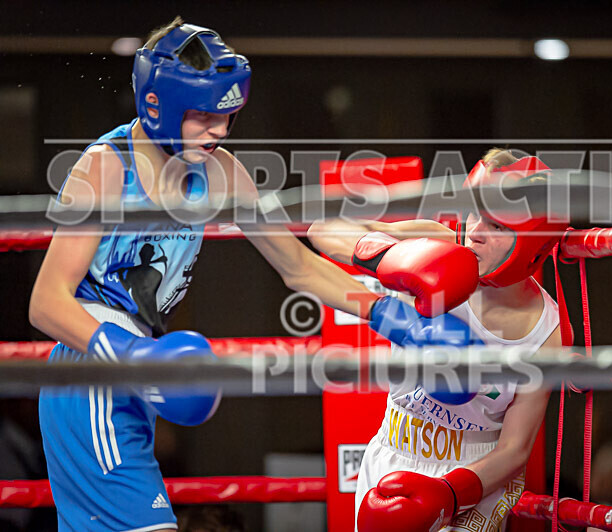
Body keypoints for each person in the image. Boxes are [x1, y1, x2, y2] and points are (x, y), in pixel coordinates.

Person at [30, 17, 472, 532]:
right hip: (93, 368)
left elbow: (298, 267)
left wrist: (392, 316)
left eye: (227, 117)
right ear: (156, 105)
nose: (218, 131)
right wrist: (135, 357)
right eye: (202, 116)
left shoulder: (221, 172)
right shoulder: (106, 168)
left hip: (135, 367)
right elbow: (46, 302)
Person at [308, 148, 568, 531]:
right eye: (475, 213)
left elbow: (515, 449)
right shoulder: (437, 245)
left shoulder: (547, 331)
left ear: (533, 243)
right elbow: (323, 229)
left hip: (476, 477)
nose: (475, 232)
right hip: (391, 454)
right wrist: (394, 257)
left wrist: (449, 494)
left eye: (497, 226)